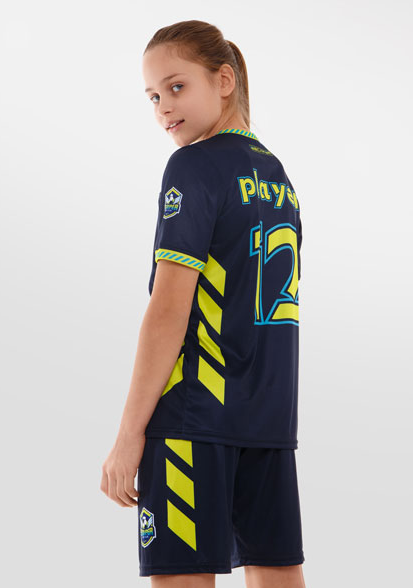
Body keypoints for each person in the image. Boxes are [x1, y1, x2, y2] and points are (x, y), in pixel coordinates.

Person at [100, 19, 306, 588]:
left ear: (223, 80)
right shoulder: (278, 178)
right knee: (278, 573)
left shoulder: (193, 166)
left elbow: (168, 310)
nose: (164, 107)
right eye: (152, 96)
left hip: (193, 417)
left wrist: (129, 435)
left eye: (176, 86)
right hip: (268, 422)